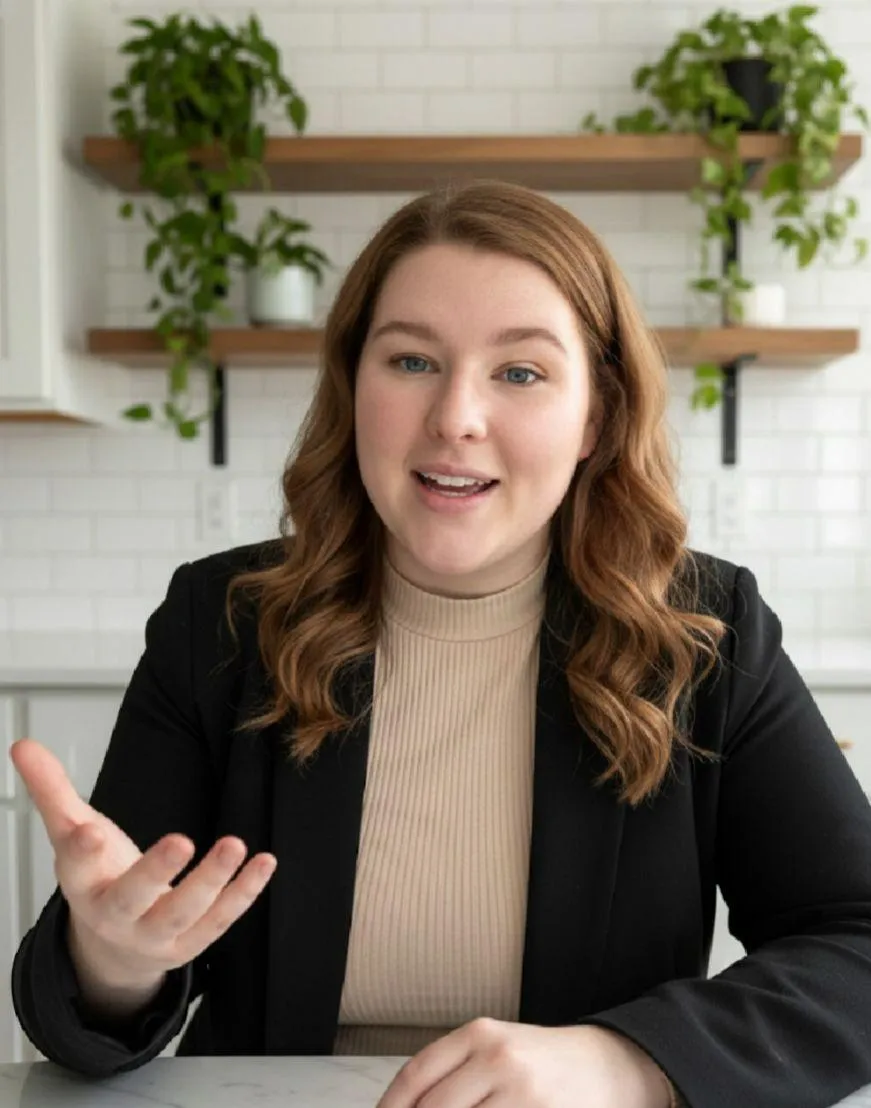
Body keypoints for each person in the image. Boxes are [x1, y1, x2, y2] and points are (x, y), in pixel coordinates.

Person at [9, 179, 871, 1108]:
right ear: (352, 387)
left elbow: (855, 944)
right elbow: (81, 1013)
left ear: (596, 417)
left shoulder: (706, 631)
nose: (456, 416)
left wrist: (627, 1061)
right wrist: (111, 961)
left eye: (521, 372)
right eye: (411, 361)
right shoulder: (221, 620)